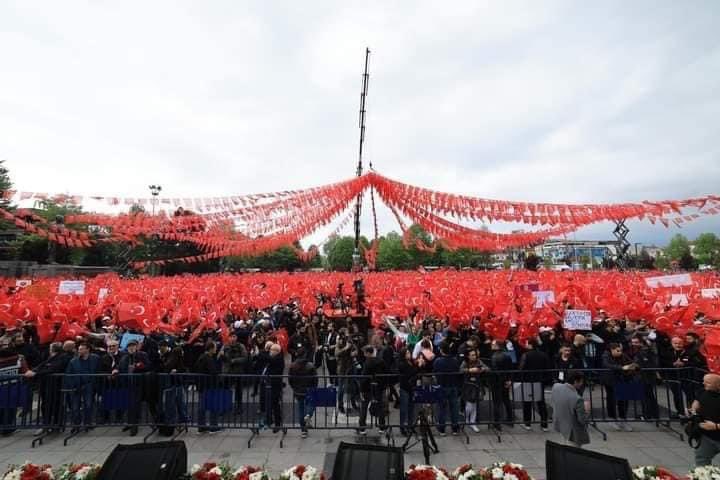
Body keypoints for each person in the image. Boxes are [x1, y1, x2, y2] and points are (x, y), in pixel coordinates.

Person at [24, 342, 71, 435]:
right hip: (46, 386)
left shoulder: (63, 357)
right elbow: (42, 365)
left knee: (56, 405)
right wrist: (33, 370)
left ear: (53, 349)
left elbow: (53, 369)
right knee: (45, 405)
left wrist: (36, 373)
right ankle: (46, 425)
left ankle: (57, 425)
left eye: (50, 348)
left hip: (56, 386)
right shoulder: (50, 357)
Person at [64, 342, 100, 433]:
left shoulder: (95, 358)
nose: (79, 351)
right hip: (76, 386)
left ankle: (87, 423)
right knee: (75, 407)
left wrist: (95, 383)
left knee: (88, 405)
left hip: (89, 385)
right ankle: (76, 425)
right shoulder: (73, 361)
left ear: (87, 349)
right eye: (79, 349)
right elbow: (68, 374)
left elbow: (98, 370)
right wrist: (72, 385)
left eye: (81, 349)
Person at [601, 343, 638, 431]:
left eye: (621, 350)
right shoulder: (606, 355)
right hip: (610, 381)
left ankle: (623, 419)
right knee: (611, 399)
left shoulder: (623, 355)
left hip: (622, 380)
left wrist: (633, 366)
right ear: (612, 350)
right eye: (618, 351)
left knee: (623, 400)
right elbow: (607, 365)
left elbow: (631, 363)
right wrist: (621, 368)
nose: (620, 352)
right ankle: (612, 418)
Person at [118, 339, 151, 436]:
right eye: (129, 346)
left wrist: (139, 366)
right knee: (128, 405)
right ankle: (130, 423)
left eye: (133, 346)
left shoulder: (142, 355)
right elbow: (120, 367)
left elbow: (148, 366)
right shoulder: (124, 357)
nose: (131, 348)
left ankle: (134, 426)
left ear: (136, 347)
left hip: (138, 384)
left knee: (135, 405)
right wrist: (115, 370)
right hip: (127, 384)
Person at [517, 338, 550, 431]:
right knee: (541, 403)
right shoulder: (543, 355)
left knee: (527, 403)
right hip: (540, 381)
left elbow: (521, 368)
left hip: (528, 381)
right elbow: (547, 368)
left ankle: (527, 423)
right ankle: (544, 424)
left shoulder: (526, 355)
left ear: (530, 345)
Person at [550, 370, 590, 448]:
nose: (582, 384)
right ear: (575, 382)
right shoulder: (577, 399)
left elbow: (553, 402)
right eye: (581, 382)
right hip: (573, 433)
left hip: (561, 426)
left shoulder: (556, 387)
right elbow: (582, 420)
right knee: (574, 452)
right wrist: (587, 410)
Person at [690, 373, 720, 466]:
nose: (704, 384)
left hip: (716, 431)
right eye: (704, 381)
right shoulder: (703, 391)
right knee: (701, 460)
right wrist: (693, 409)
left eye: (708, 383)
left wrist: (716, 426)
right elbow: (696, 401)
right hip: (707, 436)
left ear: (718, 385)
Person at [433, 342, 462, 436]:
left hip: (442, 386)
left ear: (441, 350)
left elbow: (435, 372)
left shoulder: (438, 361)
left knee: (442, 408)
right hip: (453, 386)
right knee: (454, 408)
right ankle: (455, 428)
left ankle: (442, 429)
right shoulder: (455, 360)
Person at [288, 347, 318, 438]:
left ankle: (303, 431)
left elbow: (290, 379)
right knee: (312, 404)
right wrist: (314, 388)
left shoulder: (293, 366)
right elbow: (315, 379)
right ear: (305, 354)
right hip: (309, 389)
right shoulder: (310, 366)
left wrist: (294, 388)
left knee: (301, 409)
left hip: (298, 391)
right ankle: (308, 415)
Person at [194, 340, 222, 434]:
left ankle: (201, 427)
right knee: (213, 406)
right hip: (209, 386)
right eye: (215, 348)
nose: (216, 349)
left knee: (202, 407)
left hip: (202, 386)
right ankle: (213, 426)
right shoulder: (208, 358)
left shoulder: (201, 357)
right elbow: (213, 371)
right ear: (211, 349)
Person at [358, 345, 387, 435]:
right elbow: (385, 372)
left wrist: (361, 390)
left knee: (364, 407)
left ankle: (362, 428)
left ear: (368, 353)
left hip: (367, 388)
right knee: (380, 407)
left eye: (365, 353)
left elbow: (364, 377)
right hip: (378, 387)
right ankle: (382, 427)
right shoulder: (381, 361)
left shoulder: (367, 363)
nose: (364, 354)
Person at [460, 349, 489, 433]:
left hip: (477, 385)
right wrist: (469, 370)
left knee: (475, 405)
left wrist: (482, 369)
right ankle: (466, 419)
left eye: (475, 355)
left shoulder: (479, 361)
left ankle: (472, 422)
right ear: (468, 356)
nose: (474, 356)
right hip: (468, 386)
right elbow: (460, 370)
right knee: (469, 405)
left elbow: (487, 368)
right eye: (472, 355)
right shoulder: (465, 362)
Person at [220, 332, 248, 414]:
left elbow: (245, 357)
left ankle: (238, 407)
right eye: (231, 336)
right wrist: (222, 355)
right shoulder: (225, 346)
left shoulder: (241, 346)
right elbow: (220, 357)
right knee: (225, 390)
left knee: (238, 391)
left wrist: (234, 360)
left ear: (236, 337)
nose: (232, 338)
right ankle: (225, 406)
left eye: (234, 336)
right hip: (227, 371)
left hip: (237, 371)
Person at [489, 340, 515, 431]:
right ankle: (510, 419)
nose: (491, 345)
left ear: (497, 346)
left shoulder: (494, 356)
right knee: (506, 400)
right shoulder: (507, 355)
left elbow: (495, 370)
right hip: (505, 381)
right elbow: (511, 368)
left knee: (497, 402)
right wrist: (509, 380)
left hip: (497, 382)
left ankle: (497, 423)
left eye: (493, 344)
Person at [396, 347, 418, 436]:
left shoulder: (411, 362)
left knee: (411, 408)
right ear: (404, 354)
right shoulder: (402, 363)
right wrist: (418, 367)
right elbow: (411, 372)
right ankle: (403, 427)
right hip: (404, 387)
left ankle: (410, 426)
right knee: (404, 409)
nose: (409, 354)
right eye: (408, 353)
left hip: (411, 387)